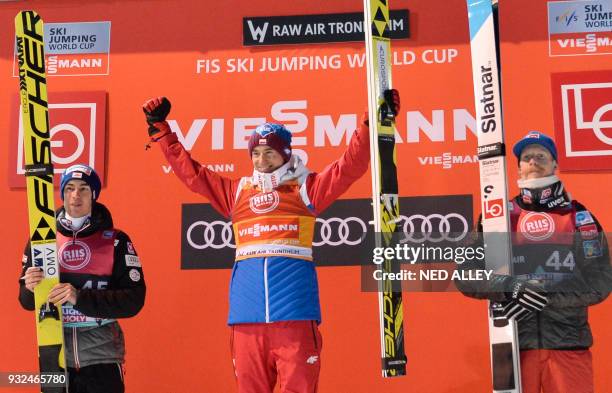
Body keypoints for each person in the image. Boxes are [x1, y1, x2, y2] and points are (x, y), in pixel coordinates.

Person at [142, 91, 399, 393]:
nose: (261, 161)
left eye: (270, 153)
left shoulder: (306, 189)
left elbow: (350, 166)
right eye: (255, 154)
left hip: (294, 318)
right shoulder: (237, 193)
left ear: (286, 155)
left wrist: (372, 124)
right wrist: (163, 132)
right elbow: (193, 174)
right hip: (246, 320)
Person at [456, 131, 612, 393]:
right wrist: (510, 287)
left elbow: (601, 279)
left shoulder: (579, 216)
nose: (534, 161)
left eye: (542, 156)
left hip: (567, 345)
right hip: (511, 344)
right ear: (518, 167)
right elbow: (465, 275)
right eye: (527, 157)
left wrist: (546, 295)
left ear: (555, 165)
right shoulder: (498, 215)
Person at [19, 164, 146, 393]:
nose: (75, 196)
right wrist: (29, 288)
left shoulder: (115, 241)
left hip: (102, 356)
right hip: (55, 357)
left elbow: (133, 300)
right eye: (69, 188)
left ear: (94, 195)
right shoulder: (42, 239)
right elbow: (27, 302)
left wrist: (79, 297)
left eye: (84, 189)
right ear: (62, 193)